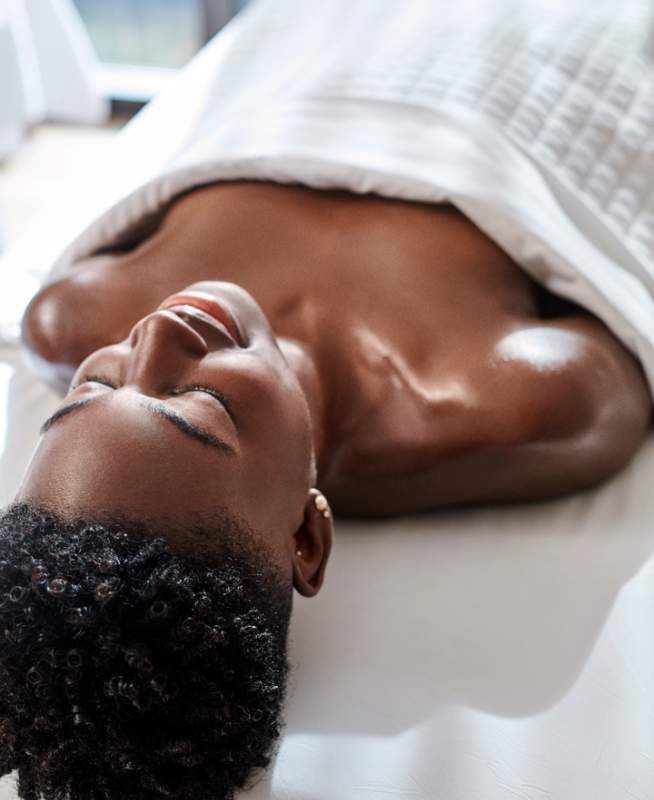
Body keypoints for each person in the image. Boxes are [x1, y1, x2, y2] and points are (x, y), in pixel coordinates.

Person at [2, 0, 653, 797]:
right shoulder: (497, 403)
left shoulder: (68, 317)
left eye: (94, 386)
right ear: (307, 537)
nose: (158, 335)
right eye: (201, 409)